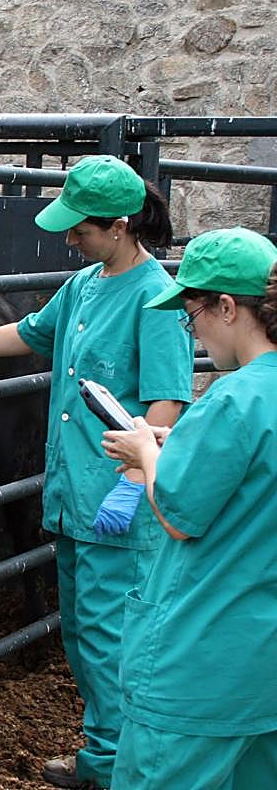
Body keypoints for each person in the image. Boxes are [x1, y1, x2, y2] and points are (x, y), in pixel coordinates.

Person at [0, 155, 194, 789]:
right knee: (83, 633)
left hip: (117, 498)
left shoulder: (157, 300)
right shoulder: (84, 286)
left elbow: (167, 402)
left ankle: (120, 767)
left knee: (114, 638)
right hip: (73, 493)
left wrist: (134, 484)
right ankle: (104, 754)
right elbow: (29, 334)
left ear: (120, 224)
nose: (69, 237)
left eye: (81, 227)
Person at [99, 226, 277, 790]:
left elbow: (177, 513)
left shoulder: (233, 396)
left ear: (226, 307)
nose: (191, 327)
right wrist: (181, 447)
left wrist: (145, 453)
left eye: (191, 312)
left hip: (204, 660)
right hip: (263, 659)